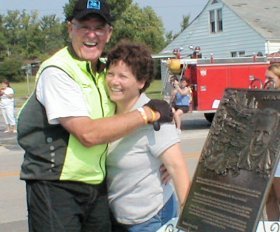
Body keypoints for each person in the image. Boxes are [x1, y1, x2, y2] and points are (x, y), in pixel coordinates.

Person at [16, 0, 173, 231]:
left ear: (109, 34)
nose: (92, 34)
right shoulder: (58, 71)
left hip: (96, 186)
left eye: (99, 28)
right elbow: (88, 134)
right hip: (56, 186)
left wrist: (168, 127)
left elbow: (130, 103)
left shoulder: (104, 71)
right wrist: (149, 113)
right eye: (84, 26)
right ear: (70, 29)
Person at [105, 40, 190, 232]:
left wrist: (189, 222)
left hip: (149, 218)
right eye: (110, 74)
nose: (114, 81)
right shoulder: (105, 109)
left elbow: (177, 169)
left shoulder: (155, 116)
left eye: (123, 76)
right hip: (117, 217)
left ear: (141, 82)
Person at [265, 63, 280, 221]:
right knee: (268, 199)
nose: (267, 82)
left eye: (270, 78)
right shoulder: (266, 98)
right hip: (266, 157)